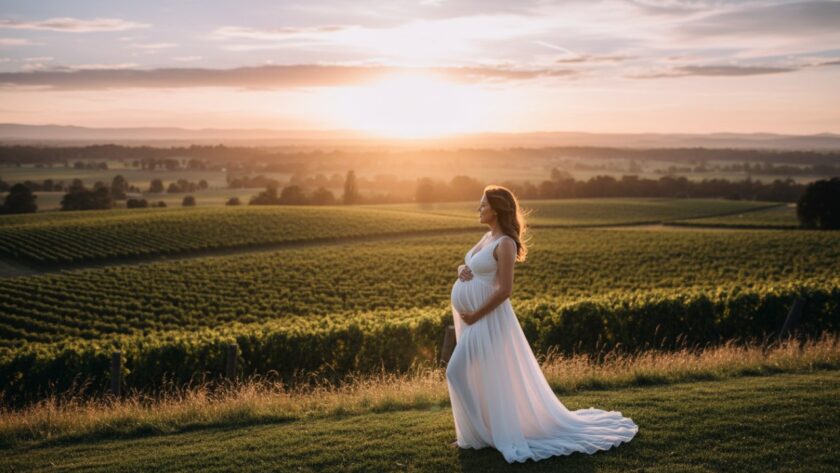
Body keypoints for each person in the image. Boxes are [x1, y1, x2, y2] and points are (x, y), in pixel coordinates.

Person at [446, 185, 638, 463]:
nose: (479, 209)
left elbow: (505, 290)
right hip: (475, 321)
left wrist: (475, 315)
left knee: (456, 372)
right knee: (476, 376)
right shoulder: (487, 237)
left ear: (497, 209)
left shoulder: (506, 244)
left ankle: (482, 435)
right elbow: (468, 267)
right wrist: (461, 270)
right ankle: (478, 435)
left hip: (487, 321)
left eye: (483, 205)